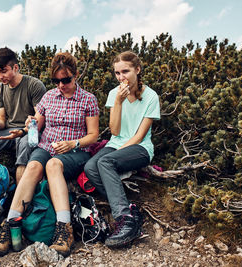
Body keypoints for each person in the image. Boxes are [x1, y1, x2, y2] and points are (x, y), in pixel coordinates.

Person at [0, 52, 99, 257]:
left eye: (65, 80)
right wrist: (25, 129)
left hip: (75, 151)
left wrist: (72, 143)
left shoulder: (88, 100)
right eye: (56, 81)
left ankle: (63, 229)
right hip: (46, 146)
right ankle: (11, 224)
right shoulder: (49, 97)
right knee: (32, 167)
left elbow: (93, 135)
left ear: (75, 75)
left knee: (53, 166)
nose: (61, 85)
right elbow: (37, 124)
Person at [84, 51, 161, 248]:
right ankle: (128, 207)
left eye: (125, 71)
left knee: (105, 161)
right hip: (116, 144)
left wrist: (115, 153)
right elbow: (115, 131)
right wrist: (118, 101)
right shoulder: (114, 94)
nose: (121, 77)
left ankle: (124, 218)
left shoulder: (151, 96)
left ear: (137, 69)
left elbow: (139, 136)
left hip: (140, 148)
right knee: (90, 167)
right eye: (117, 73)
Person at [0, 47, 46, 183]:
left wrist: (22, 131)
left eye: (3, 71)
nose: (0, 77)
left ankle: (20, 200)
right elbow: (1, 119)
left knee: (25, 147)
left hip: (28, 132)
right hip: (8, 131)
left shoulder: (34, 85)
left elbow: (39, 120)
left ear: (15, 67)